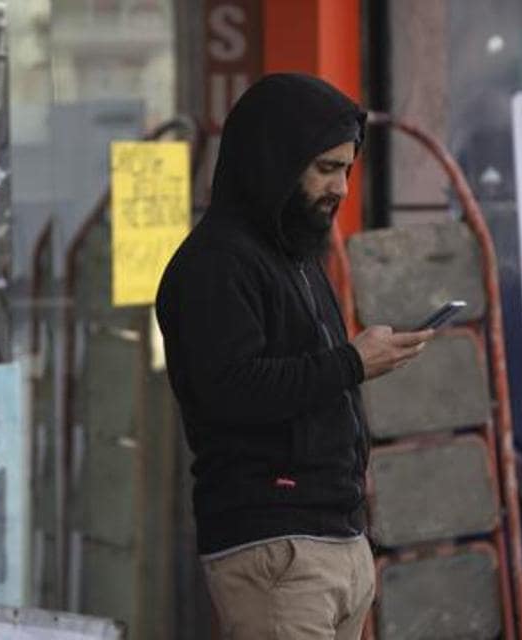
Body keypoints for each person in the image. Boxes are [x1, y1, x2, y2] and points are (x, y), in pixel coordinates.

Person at [155, 73, 433, 639]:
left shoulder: (294, 253)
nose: (342, 188)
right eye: (325, 168)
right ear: (274, 163)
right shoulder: (216, 263)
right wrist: (352, 363)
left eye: (347, 170)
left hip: (334, 539)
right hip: (276, 547)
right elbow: (230, 388)